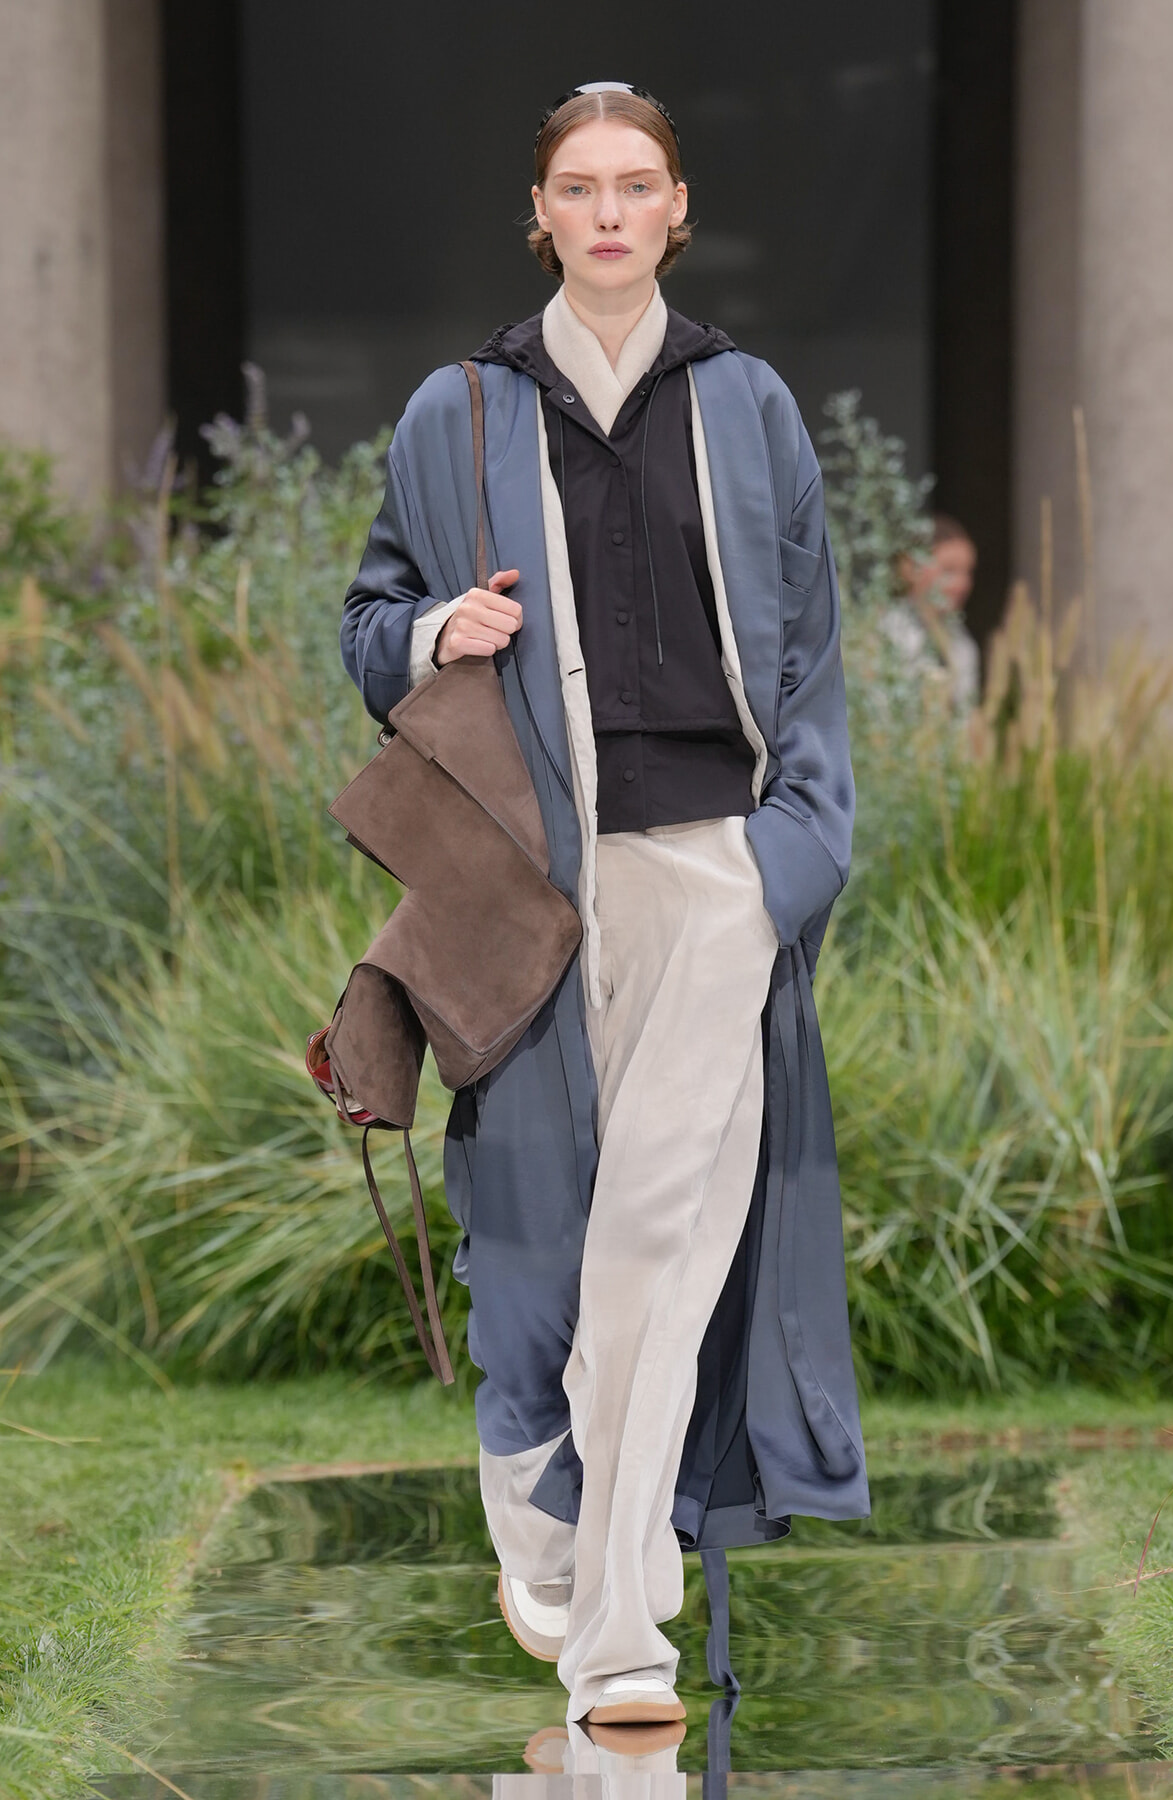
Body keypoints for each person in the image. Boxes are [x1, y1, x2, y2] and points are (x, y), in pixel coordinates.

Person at [340, 81, 869, 1737]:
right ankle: (544, 1504)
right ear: (544, 214)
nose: (612, 212)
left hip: (716, 871)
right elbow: (367, 620)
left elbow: (815, 658)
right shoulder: (460, 410)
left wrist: (789, 863)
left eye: (639, 185)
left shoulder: (748, 404)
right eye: (582, 187)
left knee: (663, 1237)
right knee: (535, 1243)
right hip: (540, 889)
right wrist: (432, 635)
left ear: (679, 209)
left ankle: (622, 1637)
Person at [883, 513, 981, 718]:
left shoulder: (963, 644)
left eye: (968, 572)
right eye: (949, 571)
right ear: (910, 568)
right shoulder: (885, 634)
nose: (962, 584)